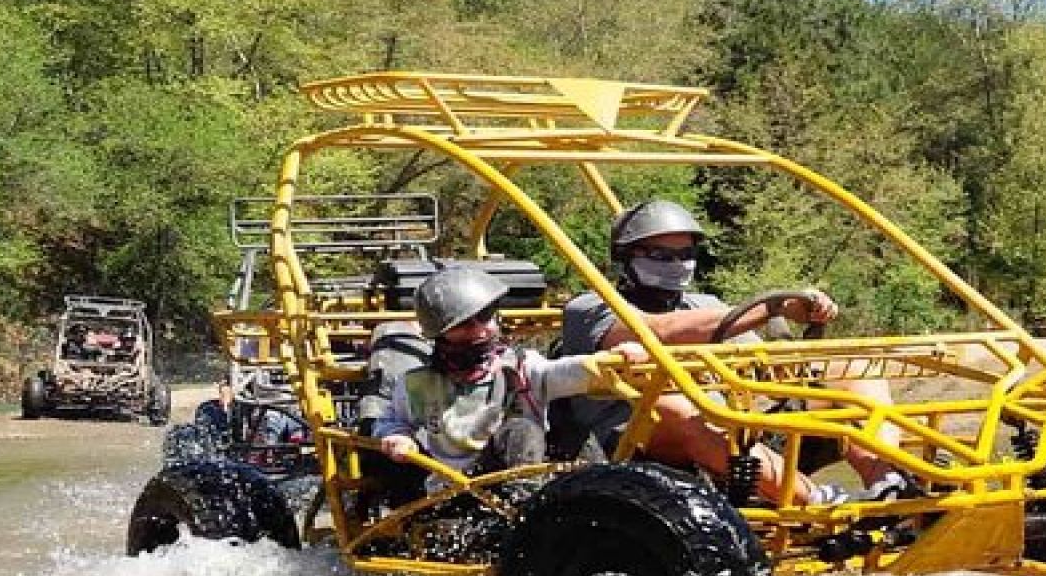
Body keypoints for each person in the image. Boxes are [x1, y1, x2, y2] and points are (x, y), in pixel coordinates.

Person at [556, 199, 909, 505]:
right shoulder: (589, 308)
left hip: (737, 434)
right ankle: (815, 503)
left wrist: (803, 332)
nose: (678, 264)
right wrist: (771, 307)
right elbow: (655, 332)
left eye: (686, 254)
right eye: (662, 255)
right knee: (676, 405)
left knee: (852, 369)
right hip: (639, 446)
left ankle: (889, 483)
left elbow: (760, 363)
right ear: (626, 257)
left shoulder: (704, 303)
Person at [376, 266, 645, 484]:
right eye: (464, 324)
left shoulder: (521, 368)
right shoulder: (419, 384)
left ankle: (595, 501)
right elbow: (391, 419)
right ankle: (523, 515)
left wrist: (608, 362)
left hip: (522, 477)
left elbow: (563, 372)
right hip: (455, 491)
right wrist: (398, 435)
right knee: (522, 429)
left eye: (485, 317)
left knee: (570, 432)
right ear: (440, 333)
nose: (479, 330)